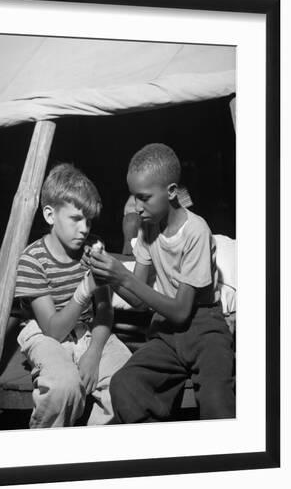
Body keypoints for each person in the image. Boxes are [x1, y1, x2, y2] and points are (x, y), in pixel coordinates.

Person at [87, 144, 235, 422]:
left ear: (170, 192)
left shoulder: (196, 231)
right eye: (133, 198)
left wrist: (124, 276)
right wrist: (109, 277)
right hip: (166, 331)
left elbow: (181, 309)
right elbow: (139, 301)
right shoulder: (148, 228)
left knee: (217, 401)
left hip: (204, 327)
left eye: (144, 198)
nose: (137, 208)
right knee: (125, 384)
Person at [14, 163, 131, 428]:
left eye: (89, 220)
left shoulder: (92, 249)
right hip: (45, 335)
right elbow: (53, 331)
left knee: (127, 380)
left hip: (90, 331)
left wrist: (93, 352)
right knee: (63, 387)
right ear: (49, 215)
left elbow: (104, 310)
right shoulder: (33, 260)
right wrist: (85, 287)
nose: (84, 228)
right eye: (76, 219)